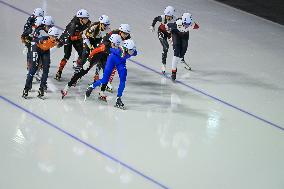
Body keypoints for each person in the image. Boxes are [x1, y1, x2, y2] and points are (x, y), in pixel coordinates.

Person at [60, 34, 122, 100]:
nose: (115, 47)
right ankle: (66, 88)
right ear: (111, 42)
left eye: (117, 45)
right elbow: (94, 51)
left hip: (104, 56)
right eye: (115, 45)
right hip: (95, 56)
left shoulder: (116, 46)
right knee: (83, 72)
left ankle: (102, 92)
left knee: (107, 74)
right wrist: (88, 61)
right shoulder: (104, 46)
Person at [85, 39, 137, 110]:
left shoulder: (133, 51)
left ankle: (118, 98)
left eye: (132, 51)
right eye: (130, 51)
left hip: (121, 63)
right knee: (104, 80)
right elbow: (110, 49)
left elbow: (135, 53)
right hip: (112, 60)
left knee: (123, 79)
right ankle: (92, 86)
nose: (131, 53)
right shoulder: (119, 50)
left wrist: (131, 52)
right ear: (126, 48)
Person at [22, 27, 60, 99]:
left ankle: (41, 89)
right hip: (36, 49)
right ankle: (26, 88)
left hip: (45, 51)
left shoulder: (57, 41)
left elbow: (64, 40)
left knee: (46, 70)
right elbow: (32, 41)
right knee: (33, 69)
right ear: (49, 35)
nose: (54, 38)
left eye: (55, 36)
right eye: (52, 36)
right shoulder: (42, 39)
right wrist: (27, 47)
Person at [55, 9, 91, 80]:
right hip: (68, 38)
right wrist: (81, 36)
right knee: (67, 55)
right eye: (85, 18)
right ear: (80, 19)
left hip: (76, 36)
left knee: (82, 54)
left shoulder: (88, 22)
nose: (87, 20)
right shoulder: (73, 24)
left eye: (87, 18)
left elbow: (91, 29)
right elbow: (71, 38)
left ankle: (77, 67)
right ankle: (59, 71)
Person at [167, 13, 199, 80]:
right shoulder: (177, 23)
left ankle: (182, 59)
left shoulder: (193, 25)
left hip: (184, 35)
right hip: (176, 34)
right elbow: (167, 25)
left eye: (188, 24)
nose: (187, 26)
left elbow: (197, 27)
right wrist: (170, 37)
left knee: (183, 50)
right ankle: (173, 72)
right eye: (185, 24)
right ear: (182, 21)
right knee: (176, 53)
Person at [150, 6, 176, 74]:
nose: (167, 17)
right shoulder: (162, 17)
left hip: (170, 33)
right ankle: (163, 64)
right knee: (166, 47)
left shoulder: (175, 20)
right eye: (166, 16)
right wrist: (152, 26)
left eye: (169, 16)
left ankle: (182, 59)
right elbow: (155, 19)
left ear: (172, 16)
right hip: (161, 32)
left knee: (176, 47)